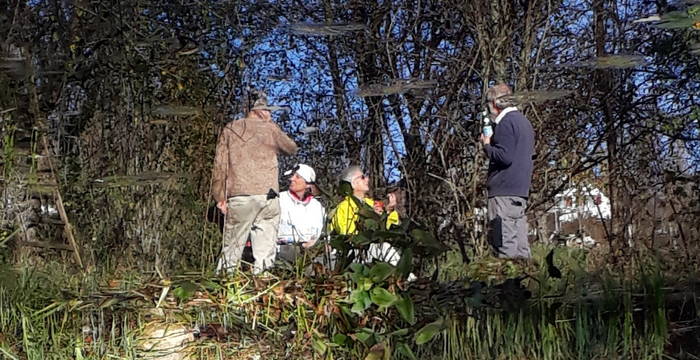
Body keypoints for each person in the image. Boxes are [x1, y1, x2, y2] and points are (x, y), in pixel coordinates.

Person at [211, 95, 298, 274]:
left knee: (232, 250)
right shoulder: (270, 129)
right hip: (269, 197)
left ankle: (224, 289)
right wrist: (272, 127)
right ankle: (263, 291)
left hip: (241, 196)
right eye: (268, 110)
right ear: (259, 110)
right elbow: (291, 148)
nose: (270, 114)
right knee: (266, 254)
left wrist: (219, 196)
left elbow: (219, 165)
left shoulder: (231, 129)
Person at [479, 83, 535, 258]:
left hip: (503, 191)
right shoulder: (524, 122)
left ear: (494, 103)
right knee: (521, 247)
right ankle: (525, 283)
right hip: (520, 192)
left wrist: (487, 145)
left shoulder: (505, 123)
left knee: (504, 246)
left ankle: (508, 284)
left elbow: (505, 157)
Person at [331, 166, 401, 264]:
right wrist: (369, 221)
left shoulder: (371, 204)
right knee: (385, 248)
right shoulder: (344, 207)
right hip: (354, 252)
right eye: (362, 177)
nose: (367, 179)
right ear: (353, 183)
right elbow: (348, 236)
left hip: (374, 249)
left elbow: (390, 229)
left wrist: (389, 211)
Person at [276, 164, 326, 262]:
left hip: (309, 255)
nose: (291, 179)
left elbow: (320, 231)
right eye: (292, 176)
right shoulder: (279, 200)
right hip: (281, 254)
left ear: (307, 184)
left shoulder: (317, 206)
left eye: (297, 177)